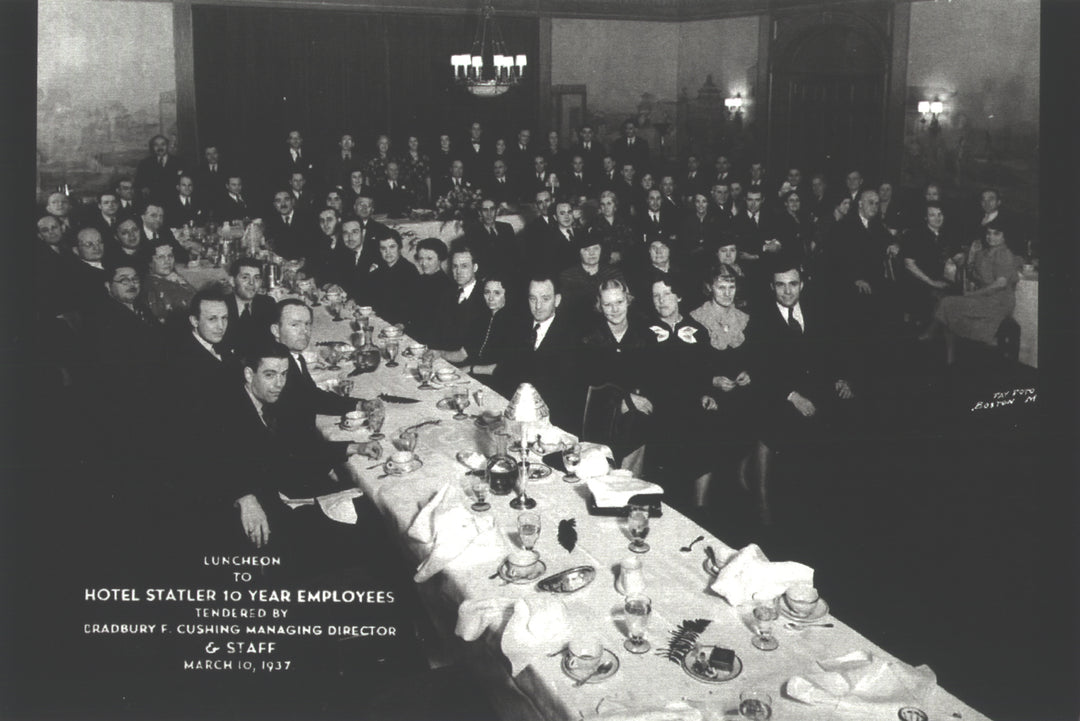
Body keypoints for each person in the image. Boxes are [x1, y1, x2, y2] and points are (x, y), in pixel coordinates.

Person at [750, 262, 856, 521]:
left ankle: (832, 493)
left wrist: (842, 379)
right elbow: (761, 368)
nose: (787, 291)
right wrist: (793, 396)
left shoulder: (817, 311)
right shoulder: (760, 319)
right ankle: (763, 501)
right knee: (775, 421)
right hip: (779, 391)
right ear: (771, 287)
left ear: (802, 285)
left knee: (848, 410)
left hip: (817, 386)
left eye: (793, 284)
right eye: (780, 285)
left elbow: (833, 352)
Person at [689, 265, 757, 506]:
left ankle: (740, 480)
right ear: (710, 288)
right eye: (721, 287)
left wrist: (748, 374)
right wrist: (713, 381)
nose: (727, 293)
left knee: (753, 409)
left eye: (731, 287)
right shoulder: (697, 318)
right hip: (709, 392)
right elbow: (692, 366)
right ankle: (701, 501)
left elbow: (752, 359)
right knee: (708, 421)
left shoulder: (744, 319)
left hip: (739, 391)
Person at [646, 276, 713, 505]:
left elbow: (705, 372)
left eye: (667, 294)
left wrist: (706, 393)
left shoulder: (698, 331)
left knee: (703, 434)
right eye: (656, 296)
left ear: (679, 296)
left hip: (691, 406)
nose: (661, 300)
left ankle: (700, 510)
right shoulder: (644, 331)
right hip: (658, 407)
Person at [580, 278, 657, 473]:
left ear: (627, 300)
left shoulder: (645, 336)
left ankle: (630, 482)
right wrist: (624, 399)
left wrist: (633, 401)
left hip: (639, 412)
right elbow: (591, 386)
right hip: (601, 412)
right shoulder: (590, 339)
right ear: (600, 306)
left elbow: (654, 377)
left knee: (637, 421)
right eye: (608, 304)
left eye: (619, 302)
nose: (615, 309)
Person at [923, 219, 1022, 365]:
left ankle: (934, 337)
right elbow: (975, 275)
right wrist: (969, 261)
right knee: (947, 305)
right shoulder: (984, 253)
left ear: (1004, 236)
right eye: (988, 233)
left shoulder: (1004, 253)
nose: (991, 237)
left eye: (996, 234)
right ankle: (948, 352)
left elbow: (1000, 283)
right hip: (984, 298)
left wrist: (973, 294)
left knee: (947, 303)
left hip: (998, 301)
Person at [502, 274, 583, 434]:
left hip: (552, 425)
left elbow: (565, 396)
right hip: (516, 418)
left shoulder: (571, 337)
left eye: (545, 299)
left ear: (557, 300)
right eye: (533, 299)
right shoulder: (517, 328)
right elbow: (508, 373)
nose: (538, 306)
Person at [459, 274, 520, 397]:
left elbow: (503, 367)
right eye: (487, 292)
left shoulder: (514, 324)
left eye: (497, 293)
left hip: (498, 385)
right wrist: (440, 354)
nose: (490, 298)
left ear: (507, 295)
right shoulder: (483, 317)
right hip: (476, 377)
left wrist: (471, 369)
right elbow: (464, 353)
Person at [901, 202, 961, 326]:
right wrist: (932, 282)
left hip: (940, 278)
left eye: (940, 214)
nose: (937, 218)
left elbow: (957, 254)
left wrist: (960, 260)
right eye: (932, 215)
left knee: (959, 294)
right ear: (925, 218)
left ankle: (940, 331)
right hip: (918, 280)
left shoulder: (947, 234)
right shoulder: (914, 234)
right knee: (941, 298)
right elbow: (909, 264)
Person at [558, 234, 619, 330]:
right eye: (586, 249)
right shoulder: (568, 276)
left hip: (610, 324)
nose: (592, 253)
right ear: (579, 252)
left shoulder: (612, 273)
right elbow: (566, 310)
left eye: (596, 249)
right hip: (577, 326)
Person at [406, 237, 455, 347]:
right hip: (415, 337)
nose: (424, 263)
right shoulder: (419, 280)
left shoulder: (447, 286)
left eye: (429, 259)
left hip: (433, 343)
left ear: (440, 259)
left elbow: (441, 326)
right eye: (421, 258)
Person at [222, 257, 276, 355]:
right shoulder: (221, 306)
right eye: (245, 277)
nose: (252, 283)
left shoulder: (267, 304)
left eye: (256, 278)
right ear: (232, 281)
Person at [142, 238, 196, 327]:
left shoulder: (173, 277)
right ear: (150, 262)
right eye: (160, 257)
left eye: (170, 256)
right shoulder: (152, 287)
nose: (167, 261)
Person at [368, 234, 419, 326]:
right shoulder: (379, 270)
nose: (388, 252)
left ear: (399, 248)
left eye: (392, 247)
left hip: (400, 324)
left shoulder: (409, 271)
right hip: (381, 321)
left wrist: (402, 323)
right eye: (383, 248)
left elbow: (413, 305)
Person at [134, 134, 185, 203]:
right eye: (156, 145)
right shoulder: (144, 164)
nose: (160, 147)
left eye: (163, 144)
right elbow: (138, 184)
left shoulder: (179, 163)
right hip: (153, 202)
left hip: (174, 202)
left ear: (167, 146)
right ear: (152, 147)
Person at [263, 189, 312, 260]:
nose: (283, 204)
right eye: (278, 201)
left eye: (286, 199)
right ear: (274, 205)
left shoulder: (306, 219)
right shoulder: (270, 222)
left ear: (293, 202)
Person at [401, 134, 432, 207]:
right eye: (411, 141)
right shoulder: (403, 157)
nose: (413, 143)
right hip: (408, 193)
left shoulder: (425, 157)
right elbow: (400, 177)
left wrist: (429, 194)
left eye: (415, 141)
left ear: (418, 142)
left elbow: (428, 177)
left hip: (422, 192)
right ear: (408, 143)